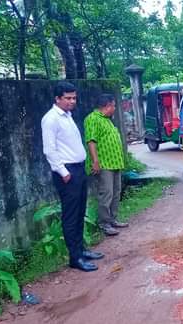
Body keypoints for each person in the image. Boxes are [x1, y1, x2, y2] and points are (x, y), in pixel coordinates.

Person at [42, 81, 104, 272]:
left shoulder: (67, 116)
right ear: (57, 99)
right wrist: (63, 172)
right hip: (67, 173)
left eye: (74, 98)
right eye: (68, 98)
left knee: (79, 213)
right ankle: (74, 258)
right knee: (70, 216)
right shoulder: (51, 119)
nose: (72, 101)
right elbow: (49, 149)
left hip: (78, 169)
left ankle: (81, 250)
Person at [84, 94, 128, 236]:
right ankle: (104, 223)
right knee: (106, 193)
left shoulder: (107, 120)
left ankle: (113, 219)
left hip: (115, 162)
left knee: (116, 192)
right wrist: (95, 161)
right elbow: (91, 141)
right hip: (104, 164)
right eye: (114, 105)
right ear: (107, 105)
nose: (115, 108)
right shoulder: (93, 119)